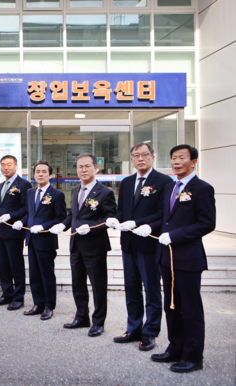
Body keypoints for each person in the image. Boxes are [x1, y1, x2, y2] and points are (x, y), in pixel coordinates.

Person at [134, 144, 215, 373]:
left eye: (181, 157)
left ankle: (193, 356)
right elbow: (166, 219)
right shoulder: (170, 187)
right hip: (166, 258)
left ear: (194, 161)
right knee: (172, 307)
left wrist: (175, 236)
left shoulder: (202, 188)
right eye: (173, 158)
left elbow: (207, 223)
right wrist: (148, 226)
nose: (176, 161)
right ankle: (175, 348)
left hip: (188, 258)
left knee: (190, 308)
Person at [106, 143, 172, 352]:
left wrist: (141, 223)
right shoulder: (126, 182)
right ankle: (133, 328)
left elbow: (163, 214)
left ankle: (150, 332)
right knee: (132, 290)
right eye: (136, 155)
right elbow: (123, 210)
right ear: (132, 159)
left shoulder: (164, 181)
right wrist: (114, 220)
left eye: (144, 155)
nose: (140, 159)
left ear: (153, 156)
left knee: (152, 291)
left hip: (150, 243)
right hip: (128, 244)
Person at [50, 153, 116, 337]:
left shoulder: (105, 192)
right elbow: (75, 215)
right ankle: (81, 317)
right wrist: (63, 224)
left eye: (87, 166)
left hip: (95, 245)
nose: (83, 170)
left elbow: (110, 218)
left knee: (98, 285)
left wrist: (92, 228)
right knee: (78, 284)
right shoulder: (75, 190)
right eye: (80, 167)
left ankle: (98, 322)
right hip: (76, 245)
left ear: (96, 168)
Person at [13, 161, 66, 320]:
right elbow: (29, 214)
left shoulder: (56, 194)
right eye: (38, 171)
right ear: (33, 174)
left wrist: (43, 226)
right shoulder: (30, 192)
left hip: (46, 241)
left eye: (44, 171)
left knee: (46, 274)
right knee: (34, 274)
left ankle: (49, 306)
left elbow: (60, 218)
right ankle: (38, 303)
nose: (40, 174)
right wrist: (21, 222)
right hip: (31, 239)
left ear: (50, 175)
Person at [0, 155, 31, 310]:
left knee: (16, 265)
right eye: (3, 165)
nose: (5, 167)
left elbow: (25, 209)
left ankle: (18, 297)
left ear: (16, 166)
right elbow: (1, 207)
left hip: (14, 231)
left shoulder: (24, 184)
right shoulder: (1, 185)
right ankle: (6, 294)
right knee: (3, 265)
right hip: (0, 231)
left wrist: (11, 216)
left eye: (9, 164)